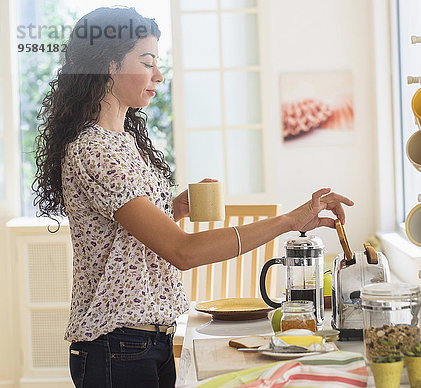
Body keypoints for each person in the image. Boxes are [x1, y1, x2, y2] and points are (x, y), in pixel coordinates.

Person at [33, 7, 354, 388]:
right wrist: (289, 221)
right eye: (147, 62)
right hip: (117, 344)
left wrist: (172, 209)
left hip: (146, 338)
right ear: (110, 66)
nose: (158, 75)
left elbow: (126, 239)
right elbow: (182, 252)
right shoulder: (96, 150)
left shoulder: (124, 142)